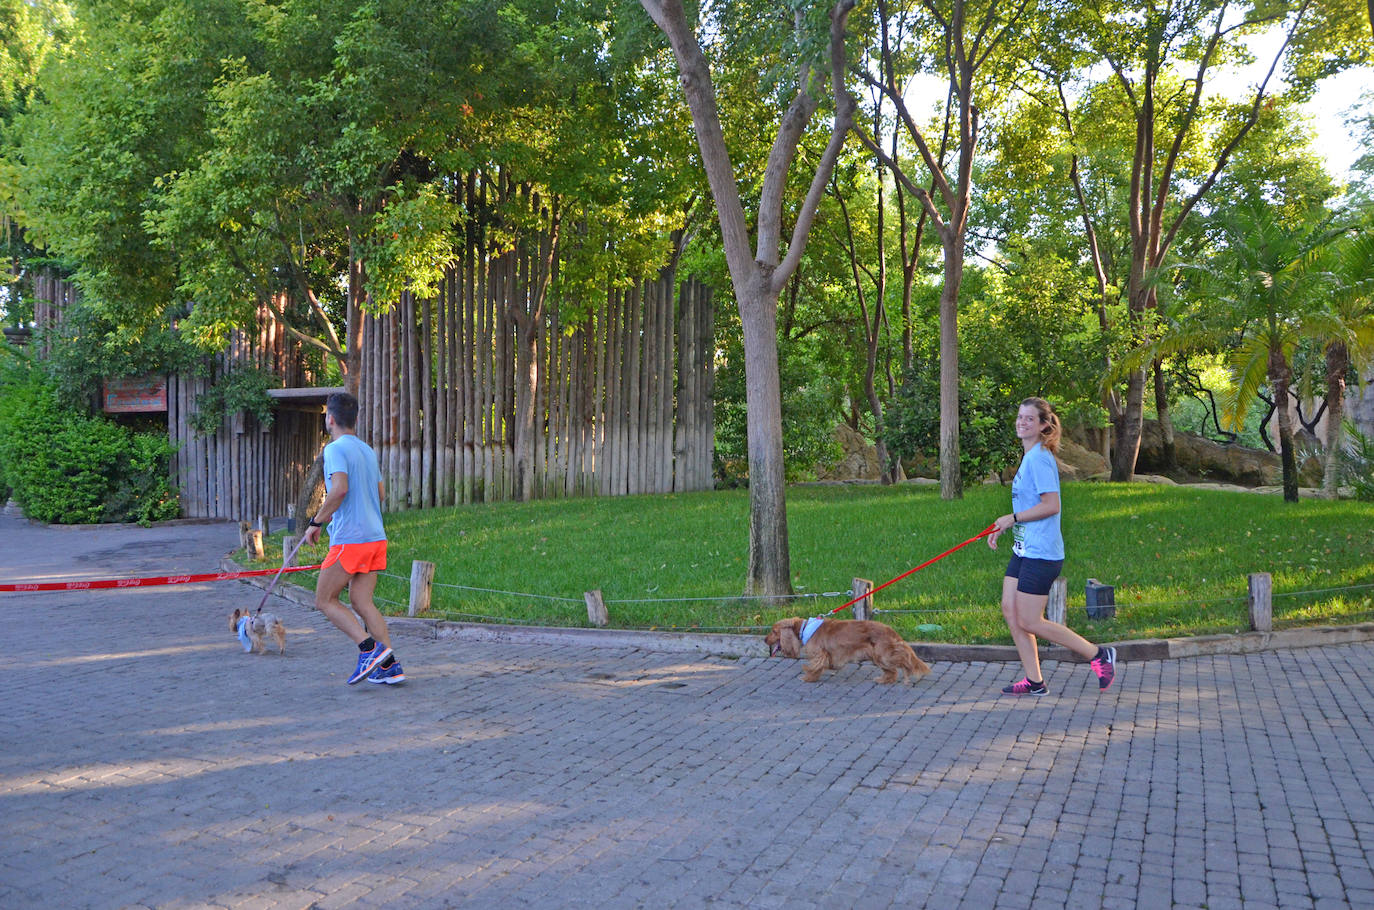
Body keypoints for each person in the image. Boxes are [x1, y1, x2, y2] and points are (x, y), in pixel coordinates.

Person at [987, 397, 1116, 696]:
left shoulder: (1040, 458)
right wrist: (1005, 526)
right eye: (1020, 417)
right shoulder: (1030, 455)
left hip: (1042, 553)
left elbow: (1052, 505)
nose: (1021, 422)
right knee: (1010, 609)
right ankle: (1035, 681)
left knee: (1031, 620)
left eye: (1029, 419)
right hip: (1025, 549)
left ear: (1044, 425)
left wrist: (1013, 517)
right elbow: (1031, 504)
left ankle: (1098, 655)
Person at [301, 391, 405, 686]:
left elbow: (340, 490)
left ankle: (368, 649)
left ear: (330, 419)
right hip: (375, 537)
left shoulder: (334, 450)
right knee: (362, 602)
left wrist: (316, 521)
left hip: (352, 540)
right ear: (355, 419)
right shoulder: (367, 450)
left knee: (324, 599)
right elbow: (380, 494)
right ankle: (390, 666)